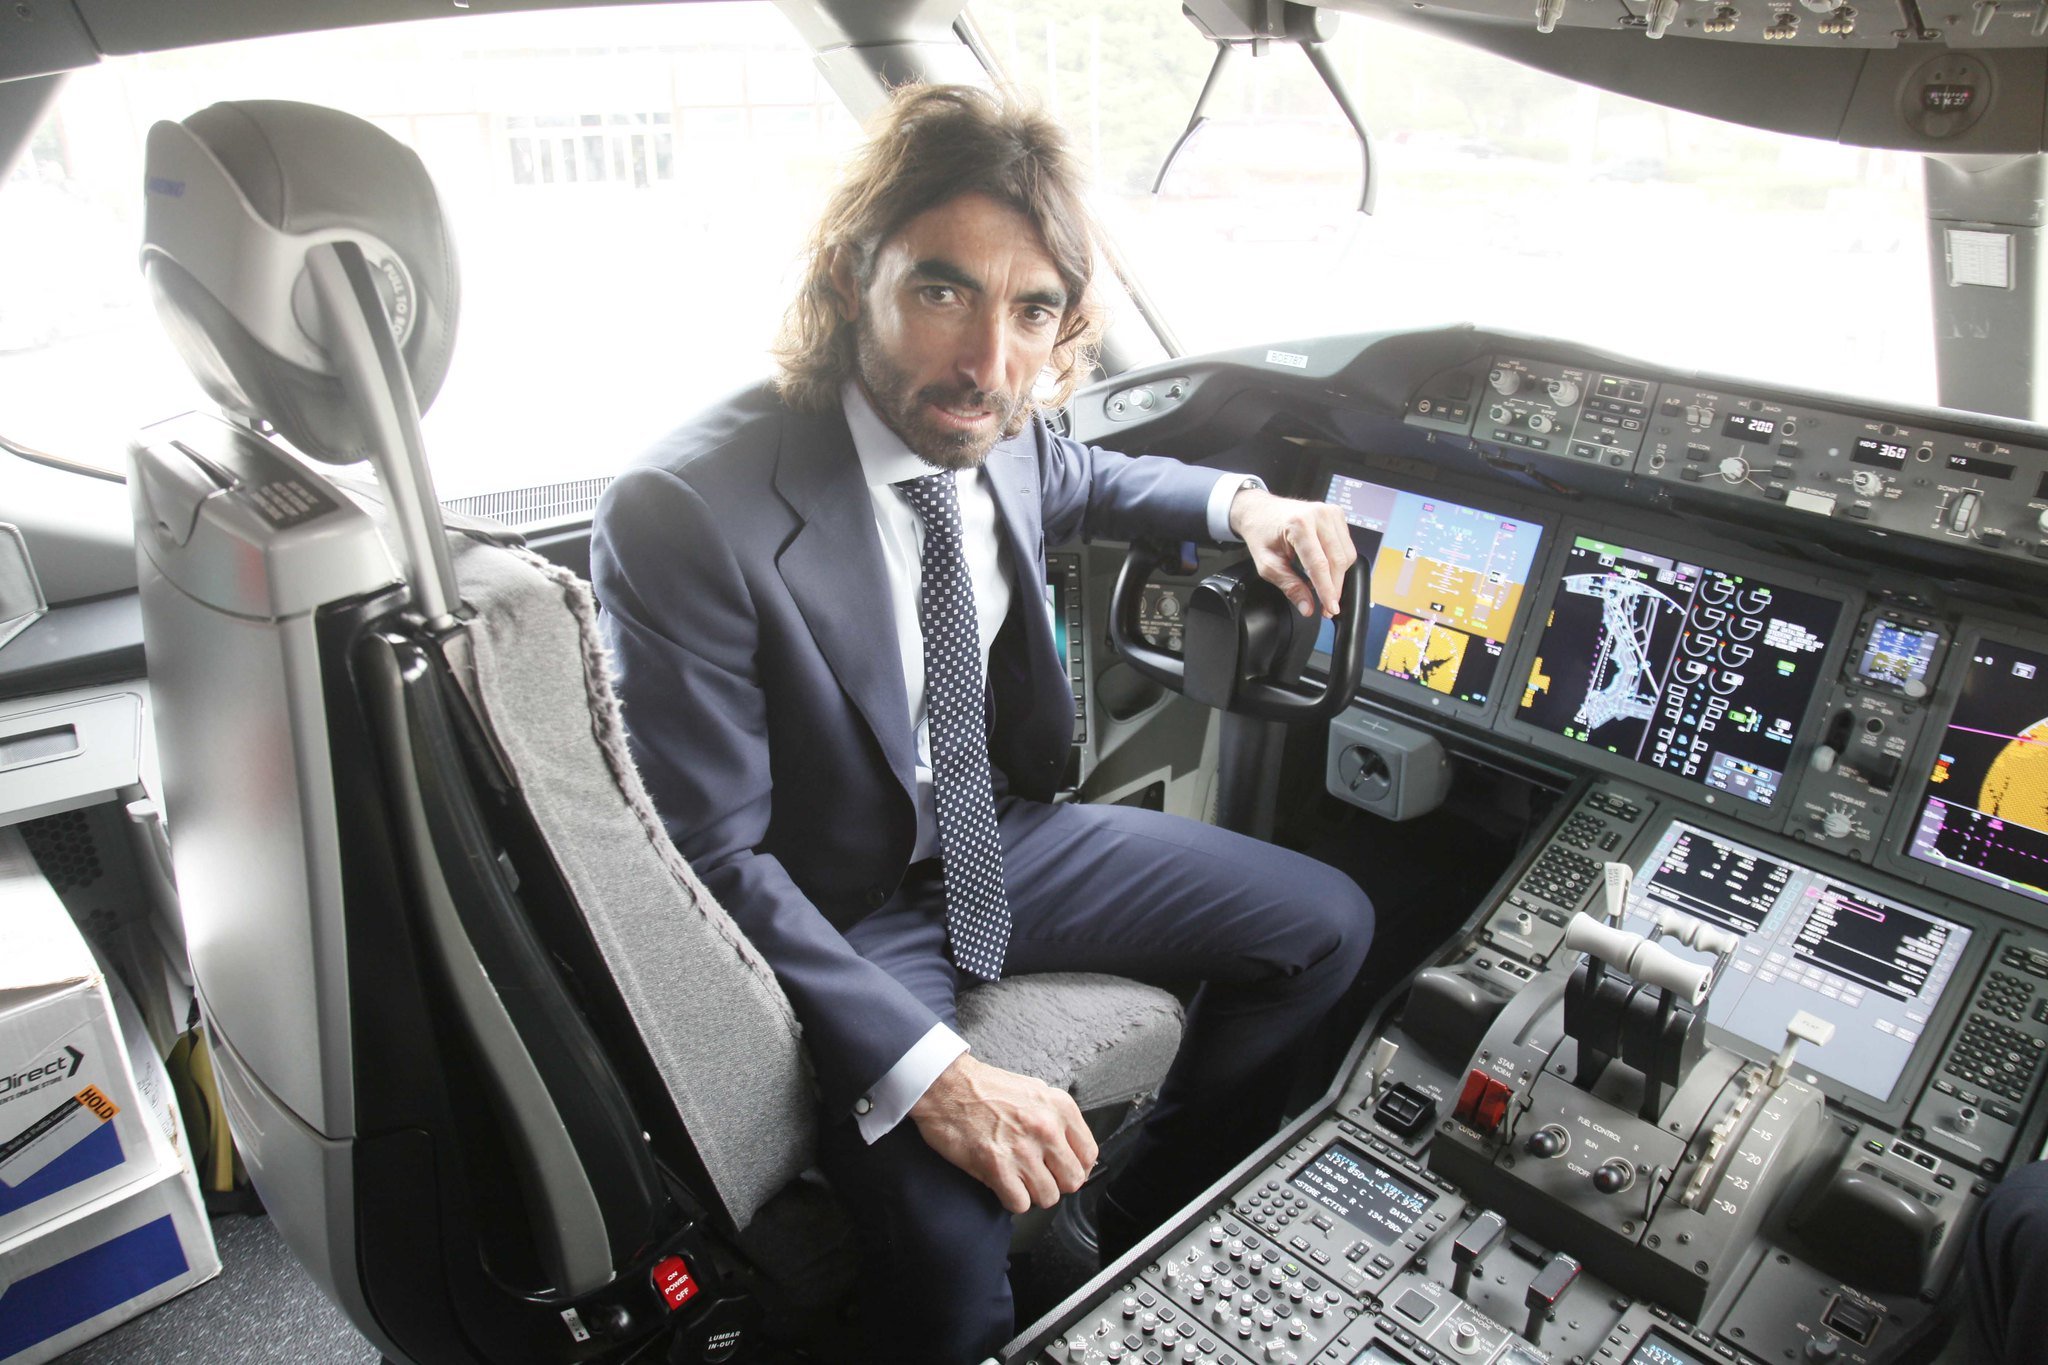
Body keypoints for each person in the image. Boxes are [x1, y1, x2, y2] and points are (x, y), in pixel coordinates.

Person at [591, 84, 1374, 1364]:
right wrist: (936, 1075)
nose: (987, 367)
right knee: (952, 1263)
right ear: (853, 278)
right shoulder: (689, 510)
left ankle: (1145, 1233)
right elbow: (711, 864)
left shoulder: (1005, 426)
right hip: (834, 902)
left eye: (1032, 314)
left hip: (992, 833)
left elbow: (1095, 472)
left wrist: (1245, 504)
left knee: (1325, 928)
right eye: (941, 292)